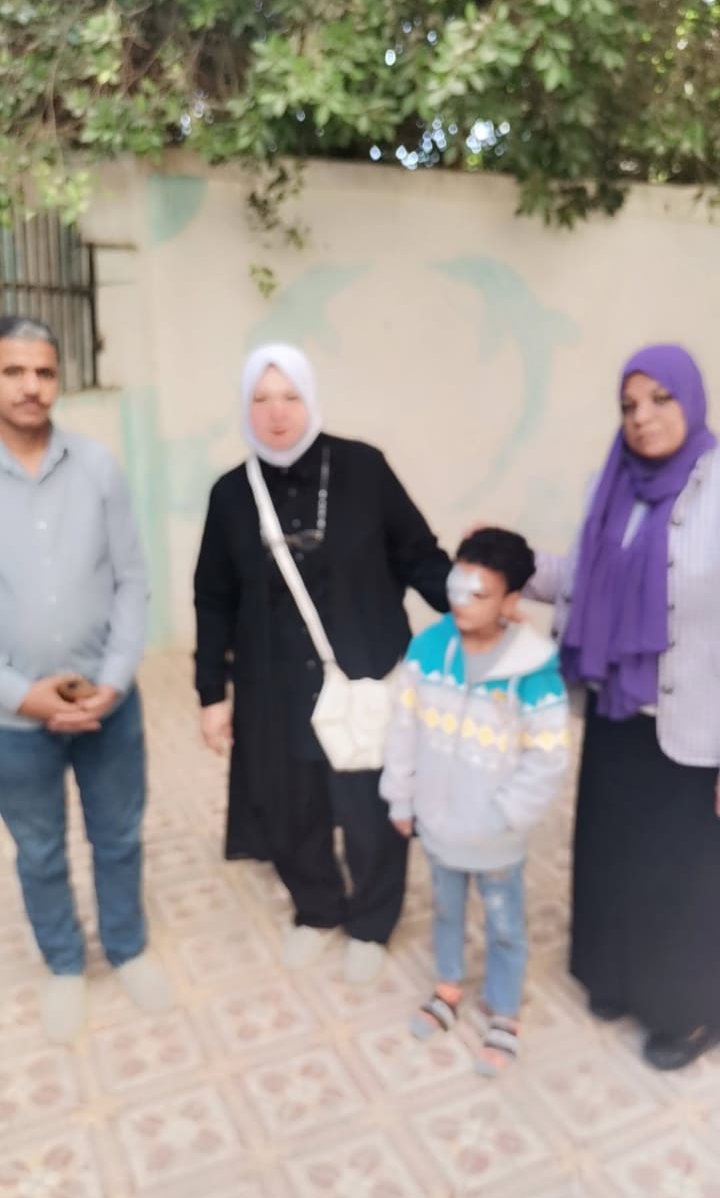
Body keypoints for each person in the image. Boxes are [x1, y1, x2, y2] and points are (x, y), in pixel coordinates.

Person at [194, 343, 451, 983]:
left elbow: (418, 555)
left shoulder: (363, 468)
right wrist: (211, 693)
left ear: (310, 399)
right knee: (291, 807)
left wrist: (472, 602)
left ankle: (372, 921)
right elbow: (213, 598)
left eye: (290, 396)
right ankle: (316, 909)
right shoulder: (231, 495)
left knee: (370, 811)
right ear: (245, 408)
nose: (276, 413)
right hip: (273, 687)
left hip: (363, 676)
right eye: (261, 398)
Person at [527, 343, 720, 1071]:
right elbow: (580, 579)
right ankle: (616, 976)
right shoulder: (611, 485)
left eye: (660, 399)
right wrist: (506, 561)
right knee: (615, 856)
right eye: (629, 405)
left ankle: (688, 1011)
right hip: (619, 710)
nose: (642, 417)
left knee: (684, 875)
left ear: (691, 400)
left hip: (696, 723)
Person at [0, 314, 170, 1043]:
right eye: (13, 371)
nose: (31, 387)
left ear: (59, 380)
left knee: (119, 834)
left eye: (44, 372)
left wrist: (116, 680)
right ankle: (65, 964)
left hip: (108, 705)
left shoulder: (98, 468)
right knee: (39, 850)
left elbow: (131, 580)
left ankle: (127, 948)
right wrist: (22, 696)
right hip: (14, 722)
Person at [380, 528, 569, 1074]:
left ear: (511, 601)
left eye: (480, 594)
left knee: (504, 922)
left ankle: (504, 1010)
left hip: (496, 835)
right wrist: (401, 797)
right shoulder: (427, 651)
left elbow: (547, 757)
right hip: (439, 822)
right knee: (445, 908)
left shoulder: (533, 671)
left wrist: (506, 816)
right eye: (457, 588)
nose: (461, 602)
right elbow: (403, 728)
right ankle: (448, 985)